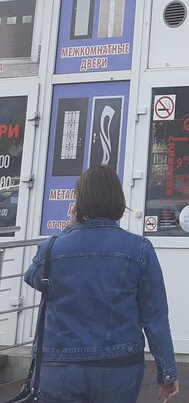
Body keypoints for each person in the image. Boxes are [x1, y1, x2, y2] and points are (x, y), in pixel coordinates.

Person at [24, 165, 180, 403]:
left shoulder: (52, 248)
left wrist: (69, 228)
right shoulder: (139, 249)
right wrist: (167, 372)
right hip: (118, 366)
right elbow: (155, 317)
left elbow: (33, 278)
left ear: (79, 202)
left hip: (59, 365)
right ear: (118, 199)